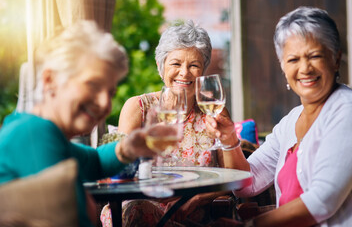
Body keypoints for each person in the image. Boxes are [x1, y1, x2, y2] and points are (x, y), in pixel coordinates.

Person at [206, 6, 352, 226]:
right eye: (293, 60)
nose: (305, 68)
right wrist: (229, 140)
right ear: (283, 67)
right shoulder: (291, 121)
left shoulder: (350, 111)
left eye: (315, 56)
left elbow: (321, 202)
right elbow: (246, 184)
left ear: (335, 59)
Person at [0, 21, 156, 227]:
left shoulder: (40, 132)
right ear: (50, 81)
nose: (105, 103)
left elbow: (96, 161)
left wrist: (130, 147)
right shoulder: (34, 134)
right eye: (92, 84)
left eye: (110, 93)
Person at [100, 20, 241, 226]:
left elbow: (233, 176)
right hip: (138, 210)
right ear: (160, 67)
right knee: (139, 212)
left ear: (203, 72)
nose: (184, 73)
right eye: (176, 64)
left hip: (191, 216)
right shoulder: (138, 108)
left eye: (194, 65)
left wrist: (197, 198)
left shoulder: (213, 111)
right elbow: (120, 171)